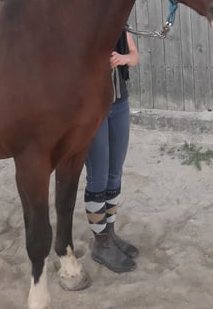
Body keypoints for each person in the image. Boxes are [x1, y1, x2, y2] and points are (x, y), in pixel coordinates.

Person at [84, 29, 140, 273]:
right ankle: (101, 244)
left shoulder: (119, 25)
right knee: (98, 176)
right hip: (91, 107)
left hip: (119, 104)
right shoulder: (83, 24)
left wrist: (123, 58)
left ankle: (110, 233)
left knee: (115, 173)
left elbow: (135, 55)